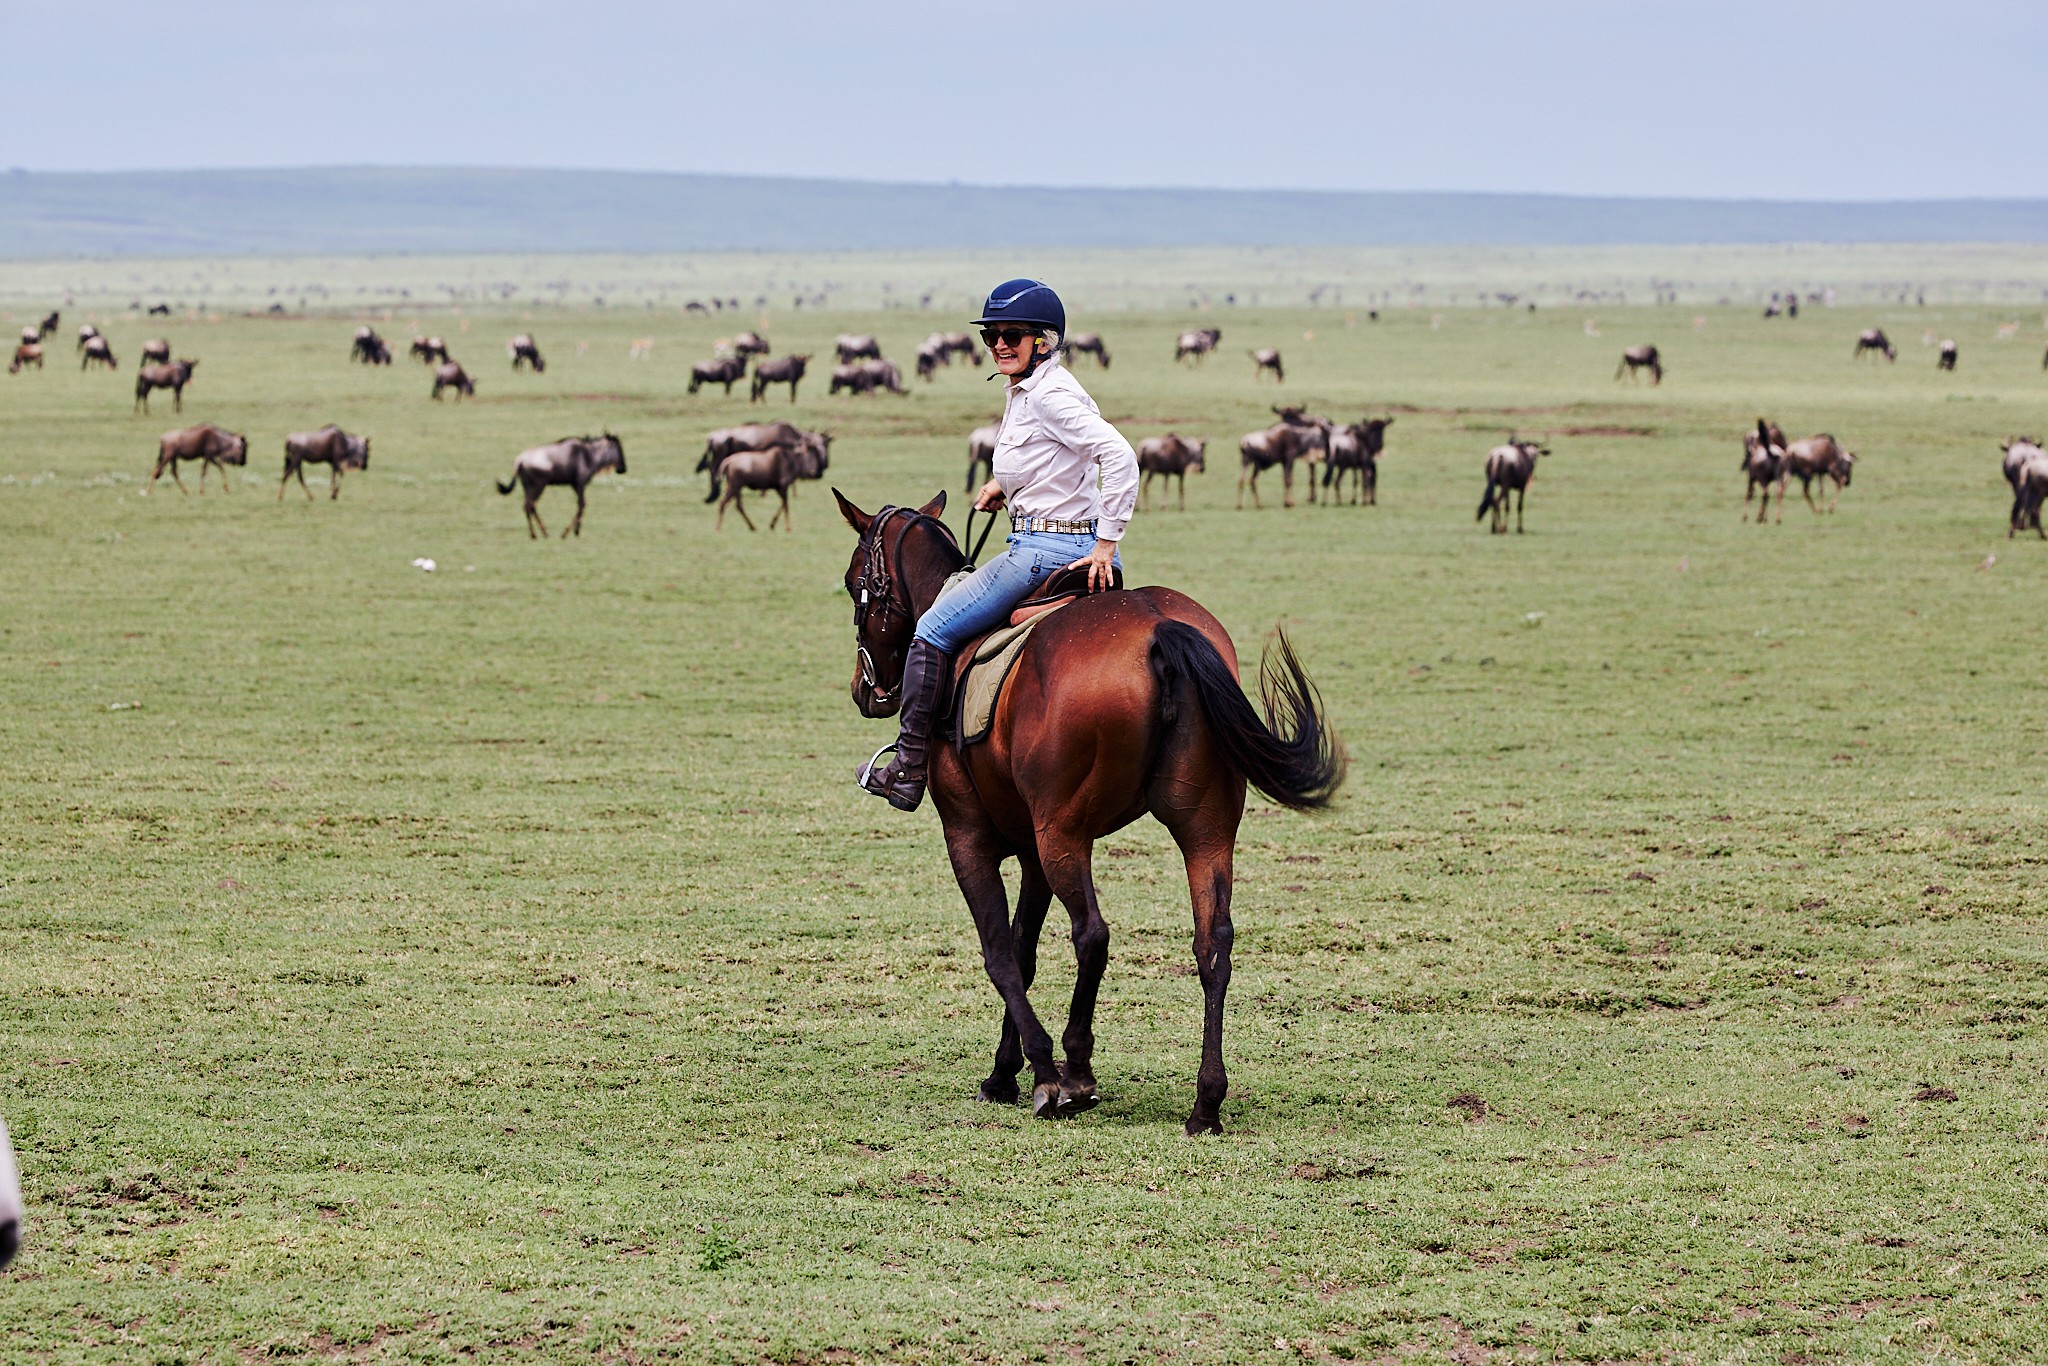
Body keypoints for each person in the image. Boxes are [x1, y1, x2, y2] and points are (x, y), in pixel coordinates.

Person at [859, 278, 1139, 812]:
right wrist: (1003, 486)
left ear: (1045, 340)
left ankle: (908, 767)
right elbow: (1056, 461)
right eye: (992, 336)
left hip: (1044, 552)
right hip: (1060, 538)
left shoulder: (1050, 396)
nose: (1000, 345)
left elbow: (1119, 457)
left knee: (932, 628)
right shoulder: (1032, 389)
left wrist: (1106, 543)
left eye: (1012, 334)